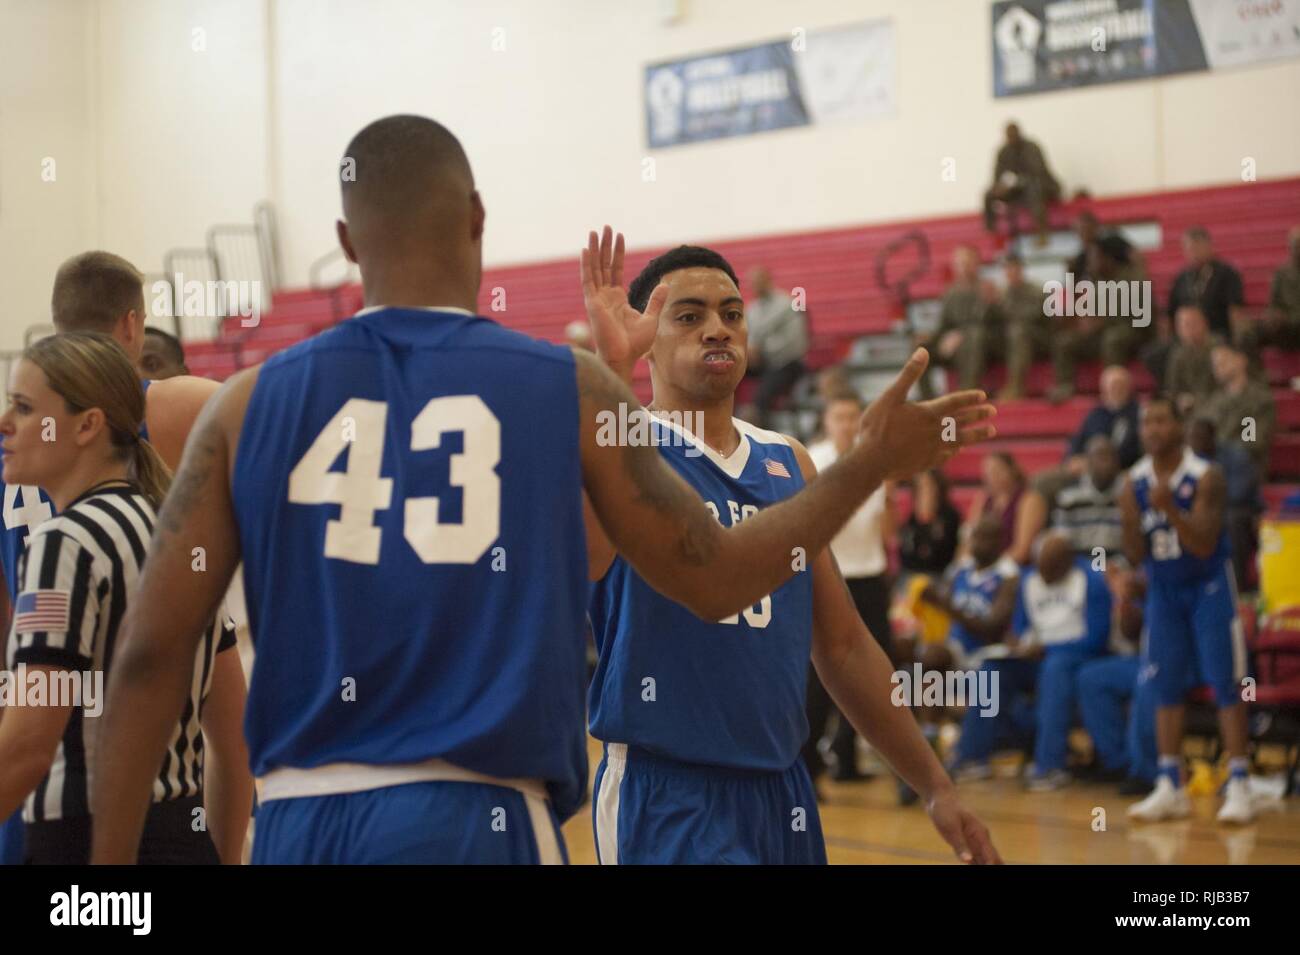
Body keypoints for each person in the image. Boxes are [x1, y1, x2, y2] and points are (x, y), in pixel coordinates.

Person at [89, 115, 998, 865]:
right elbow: (715, 576)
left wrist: (105, 886)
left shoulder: (248, 403)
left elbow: (146, 657)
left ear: (341, 242)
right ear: (478, 219)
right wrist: (868, 461)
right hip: (487, 817)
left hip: (302, 820)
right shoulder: (564, 386)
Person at [580, 229, 998, 864]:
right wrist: (608, 372)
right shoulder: (623, 448)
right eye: (689, 317)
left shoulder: (786, 460)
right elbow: (582, 557)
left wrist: (935, 785)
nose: (717, 329)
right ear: (647, 343)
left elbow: (843, 644)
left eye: (732, 314)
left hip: (782, 791)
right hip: (668, 790)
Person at [0, 251, 220, 866]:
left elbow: (27, 745)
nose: (3, 424)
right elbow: (231, 719)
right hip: (182, 829)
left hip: (85, 834)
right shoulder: (174, 534)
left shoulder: (64, 541)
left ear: (87, 425)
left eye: (23, 408)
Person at [1121, 397, 1253, 824]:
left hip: (1209, 585)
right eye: (1146, 421)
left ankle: (1239, 782)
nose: (1152, 428)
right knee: (1164, 685)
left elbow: (1203, 543)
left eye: (1161, 420)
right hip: (1164, 589)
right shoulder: (1133, 481)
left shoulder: (1205, 475)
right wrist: (1131, 527)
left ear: (1179, 426)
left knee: (1226, 682)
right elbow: (1134, 551)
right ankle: (1167, 784)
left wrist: (1169, 511)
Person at [805, 390, 898, 782]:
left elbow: (886, 531)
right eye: (839, 416)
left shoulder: (874, 459)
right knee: (823, 675)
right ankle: (808, 761)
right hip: (830, 575)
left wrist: (891, 497)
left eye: (852, 416)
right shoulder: (813, 461)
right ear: (827, 422)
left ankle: (848, 756)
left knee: (882, 671)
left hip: (871, 576)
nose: (847, 423)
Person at [920, 517, 1021, 780]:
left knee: (986, 675)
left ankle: (973, 756)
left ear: (1000, 542)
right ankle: (929, 739)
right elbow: (941, 598)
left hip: (989, 652)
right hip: (959, 649)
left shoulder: (1009, 575)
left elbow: (992, 627)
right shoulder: (960, 570)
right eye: (974, 538)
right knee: (928, 656)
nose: (977, 544)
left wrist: (945, 604)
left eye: (985, 538)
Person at [1012, 533, 1112, 791]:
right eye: (1039, 569)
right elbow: (1020, 627)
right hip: (1037, 655)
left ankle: (1051, 765)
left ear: (1069, 562)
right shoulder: (1029, 579)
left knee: (1055, 669)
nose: (1044, 578)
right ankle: (972, 755)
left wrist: (1049, 648)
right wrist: (1018, 644)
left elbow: (1097, 638)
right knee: (992, 671)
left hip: (1076, 655)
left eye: (1050, 572)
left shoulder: (1091, 580)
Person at [1048, 235, 1148, 403]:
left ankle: (1113, 388)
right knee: (1064, 341)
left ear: (1107, 259)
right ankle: (1064, 385)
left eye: (1095, 257)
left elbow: (1131, 315)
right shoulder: (1095, 280)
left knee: (1113, 338)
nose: (1090, 262)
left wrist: (1099, 321)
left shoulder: (1131, 277)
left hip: (1134, 332)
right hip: (1102, 332)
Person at [1188, 416, 1262, 592]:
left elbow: (1239, 493)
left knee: (1232, 520)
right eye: (1192, 438)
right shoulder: (1189, 460)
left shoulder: (1236, 456)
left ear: (1212, 437)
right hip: (1206, 513)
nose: (1196, 443)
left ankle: (1237, 587)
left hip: (1242, 513)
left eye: (1200, 437)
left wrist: (1206, 502)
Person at [917, 246, 1000, 396]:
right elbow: (944, 325)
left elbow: (991, 322)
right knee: (921, 347)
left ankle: (968, 391)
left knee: (974, 334)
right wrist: (932, 338)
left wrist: (960, 335)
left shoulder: (987, 288)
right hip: (954, 344)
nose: (963, 268)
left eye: (967, 263)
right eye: (960, 263)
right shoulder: (951, 292)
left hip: (985, 342)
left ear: (977, 264)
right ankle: (927, 399)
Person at [744, 266, 808, 427]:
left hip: (786, 362)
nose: (756, 286)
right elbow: (749, 336)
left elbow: (796, 341)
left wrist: (763, 352)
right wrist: (750, 350)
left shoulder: (788, 303)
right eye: (753, 283)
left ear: (768, 280)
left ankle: (761, 434)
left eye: (759, 281)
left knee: (762, 395)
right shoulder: (752, 309)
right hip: (760, 362)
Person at [1200, 341, 1276, 477]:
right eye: (1215, 364)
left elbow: (1252, 441)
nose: (1218, 367)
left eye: (1223, 361)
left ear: (1241, 360)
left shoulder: (1259, 400)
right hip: (1213, 468)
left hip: (1245, 469)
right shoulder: (1213, 400)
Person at [982, 122, 1061, 244]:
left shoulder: (1032, 147)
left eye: (1013, 135)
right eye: (1008, 136)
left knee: (1033, 188)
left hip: (1041, 187)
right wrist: (1000, 187)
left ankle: (1042, 232)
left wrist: (1015, 183)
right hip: (1016, 191)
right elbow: (998, 175)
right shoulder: (1003, 151)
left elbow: (1038, 173)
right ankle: (990, 233)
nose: (1011, 138)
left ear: (1019, 134)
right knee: (988, 194)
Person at [1166, 226, 1245, 342]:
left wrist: (1236, 340)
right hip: (1185, 338)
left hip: (1216, 334)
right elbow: (1170, 312)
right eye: (1188, 249)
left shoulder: (1227, 274)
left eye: (1196, 248)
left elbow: (1235, 311)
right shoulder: (1181, 278)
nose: (1192, 253)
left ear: (1209, 246)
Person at [1051, 434, 1123, 561]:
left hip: (1120, 568)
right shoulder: (1069, 498)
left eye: (1109, 456)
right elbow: (1063, 543)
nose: (1105, 463)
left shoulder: (1127, 496)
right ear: (1088, 462)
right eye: (1099, 456)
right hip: (1080, 570)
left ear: (1117, 462)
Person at [1241, 225, 1300, 357]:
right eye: (1294, 246)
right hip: (1286, 328)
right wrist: (1272, 316)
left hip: (1294, 323)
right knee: (1247, 335)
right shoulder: (1281, 273)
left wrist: (1289, 318)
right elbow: (1273, 303)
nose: (1296, 250)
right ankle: (1256, 373)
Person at [998, 252, 1049, 400]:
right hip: (1011, 338)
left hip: (1037, 337)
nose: (1010, 272)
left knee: (1018, 331)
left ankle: (1016, 386)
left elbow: (1033, 317)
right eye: (1007, 269)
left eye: (1013, 268)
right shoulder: (1003, 293)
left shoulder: (1036, 291)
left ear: (1021, 269)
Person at [1163, 305, 1222, 417]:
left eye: (1193, 323)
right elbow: (1172, 389)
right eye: (1184, 325)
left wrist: (1197, 401)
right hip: (1188, 409)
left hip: (1216, 406)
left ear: (1205, 323)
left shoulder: (1219, 348)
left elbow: (1226, 386)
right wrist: (1179, 399)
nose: (1189, 329)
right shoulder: (1178, 355)